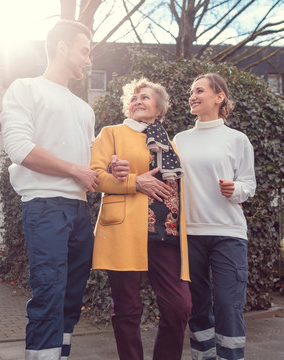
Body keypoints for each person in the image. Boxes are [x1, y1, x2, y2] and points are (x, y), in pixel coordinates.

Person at [0, 20, 99, 360]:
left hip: (80, 211)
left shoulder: (85, 109)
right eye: (84, 51)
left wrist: (105, 169)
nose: (88, 60)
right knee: (49, 292)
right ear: (62, 47)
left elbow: (89, 165)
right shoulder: (25, 88)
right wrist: (75, 170)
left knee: (71, 297)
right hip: (44, 206)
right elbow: (20, 149)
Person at [90, 78, 192, 360]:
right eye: (134, 97)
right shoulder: (111, 133)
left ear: (158, 109)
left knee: (179, 306)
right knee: (127, 308)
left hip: (166, 234)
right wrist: (134, 182)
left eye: (145, 97)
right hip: (124, 230)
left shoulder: (170, 144)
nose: (137, 101)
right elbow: (95, 177)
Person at [173, 73, 256, 360]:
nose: (192, 96)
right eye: (191, 92)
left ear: (219, 97)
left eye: (199, 91)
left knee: (226, 302)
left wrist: (235, 189)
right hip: (189, 233)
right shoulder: (179, 140)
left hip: (228, 233)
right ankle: (203, 357)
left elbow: (249, 184)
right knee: (196, 305)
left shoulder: (237, 139)